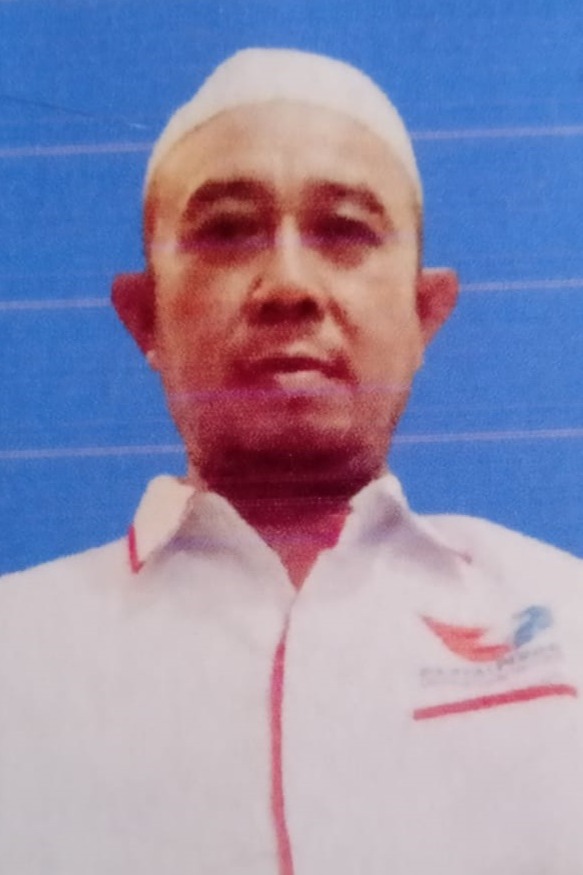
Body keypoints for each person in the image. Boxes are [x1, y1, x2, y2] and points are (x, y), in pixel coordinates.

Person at [1, 48, 583, 875]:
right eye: (226, 231)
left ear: (424, 313)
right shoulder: (18, 650)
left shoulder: (566, 616)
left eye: (344, 230)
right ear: (145, 317)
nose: (287, 284)